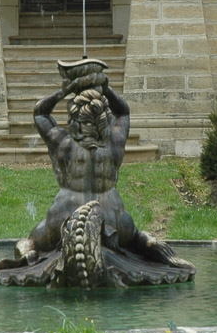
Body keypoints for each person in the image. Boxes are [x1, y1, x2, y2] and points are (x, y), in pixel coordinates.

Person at [14, 70, 189, 270]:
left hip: (66, 218)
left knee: (32, 240)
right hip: (113, 219)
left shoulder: (62, 143)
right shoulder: (115, 141)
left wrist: (64, 91)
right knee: (135, 237)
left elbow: (40, 113)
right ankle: (147, 243)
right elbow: (123, 111)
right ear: (105, 118)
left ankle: (28, 250)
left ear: (74, 120)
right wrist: (106, 89)